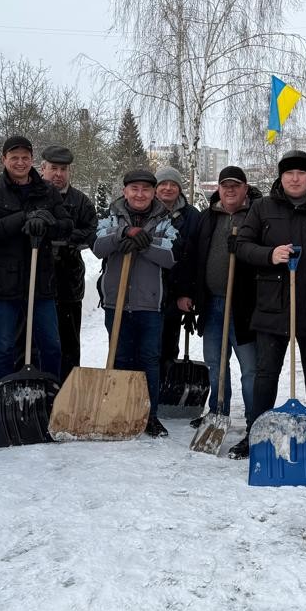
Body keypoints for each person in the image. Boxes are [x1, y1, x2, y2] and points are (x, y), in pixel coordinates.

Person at [230, 150, 306, 462]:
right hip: (272, 304)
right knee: (266, 375)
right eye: (289, 173)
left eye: (301, 173)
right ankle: (256, 435)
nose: (295, 178)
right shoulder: (263, 208)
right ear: (280, 177)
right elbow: (242, 247)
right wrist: (270, 255)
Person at [0, 135, 72, 383]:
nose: (20, 162)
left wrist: (48, 223)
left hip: (41, 282)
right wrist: (23, 219)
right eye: (14, 157)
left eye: (25, 157)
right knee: (4, 347)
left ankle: (50, 395)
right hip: (2, 283)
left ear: (32, 160)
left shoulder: (47, 191)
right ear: (3, 159)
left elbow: (67, 226)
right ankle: (3, 398)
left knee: (51, 345)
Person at [92, 168, 180, 437]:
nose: (140, 194)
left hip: (150, 304)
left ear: (153, 193)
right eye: (134, 189)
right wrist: (122, 235)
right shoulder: (111, 216)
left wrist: (144, 243)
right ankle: (119, 411)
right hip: (116, 301)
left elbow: (171, 255)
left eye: (145, 189)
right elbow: (98, 246)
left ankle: (149, 414)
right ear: (125, 191)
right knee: (120, 357)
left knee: (149, 360)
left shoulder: (166, 219)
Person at [178, 165, 262, 426]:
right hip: (212, 304)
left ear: (245, 189)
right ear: (218, 189)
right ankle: (218, 412)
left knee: (250, 368)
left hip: (245, 306)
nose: (230, 190)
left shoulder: (257, 216)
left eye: (236, 185)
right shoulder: (207, 218)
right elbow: (191, 256)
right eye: (225, 185)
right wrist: (185, 292)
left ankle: (254, 418)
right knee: (216, 364)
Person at [40, 144, 98, 382]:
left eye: (63, 169)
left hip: (68, 281)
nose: (58, 174)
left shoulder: (79, 201)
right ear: (42, 168)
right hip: (37, 279)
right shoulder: (33, 197)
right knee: (37, 342)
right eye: (53, 168)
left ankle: (67, 390)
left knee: (69, 343)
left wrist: (63, 237)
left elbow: (92, 231)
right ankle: (41, 389)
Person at [154, 166, 200, 387]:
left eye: (173, 184)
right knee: (146, 347)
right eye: (163, 183)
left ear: (180, 189)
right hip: (148, 289)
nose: (168, 188)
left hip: (175, 290)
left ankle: (164, 388)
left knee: (169, 343)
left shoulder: (192, 217)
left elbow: (194, 258)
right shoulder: (146, 212)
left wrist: (186, 293)